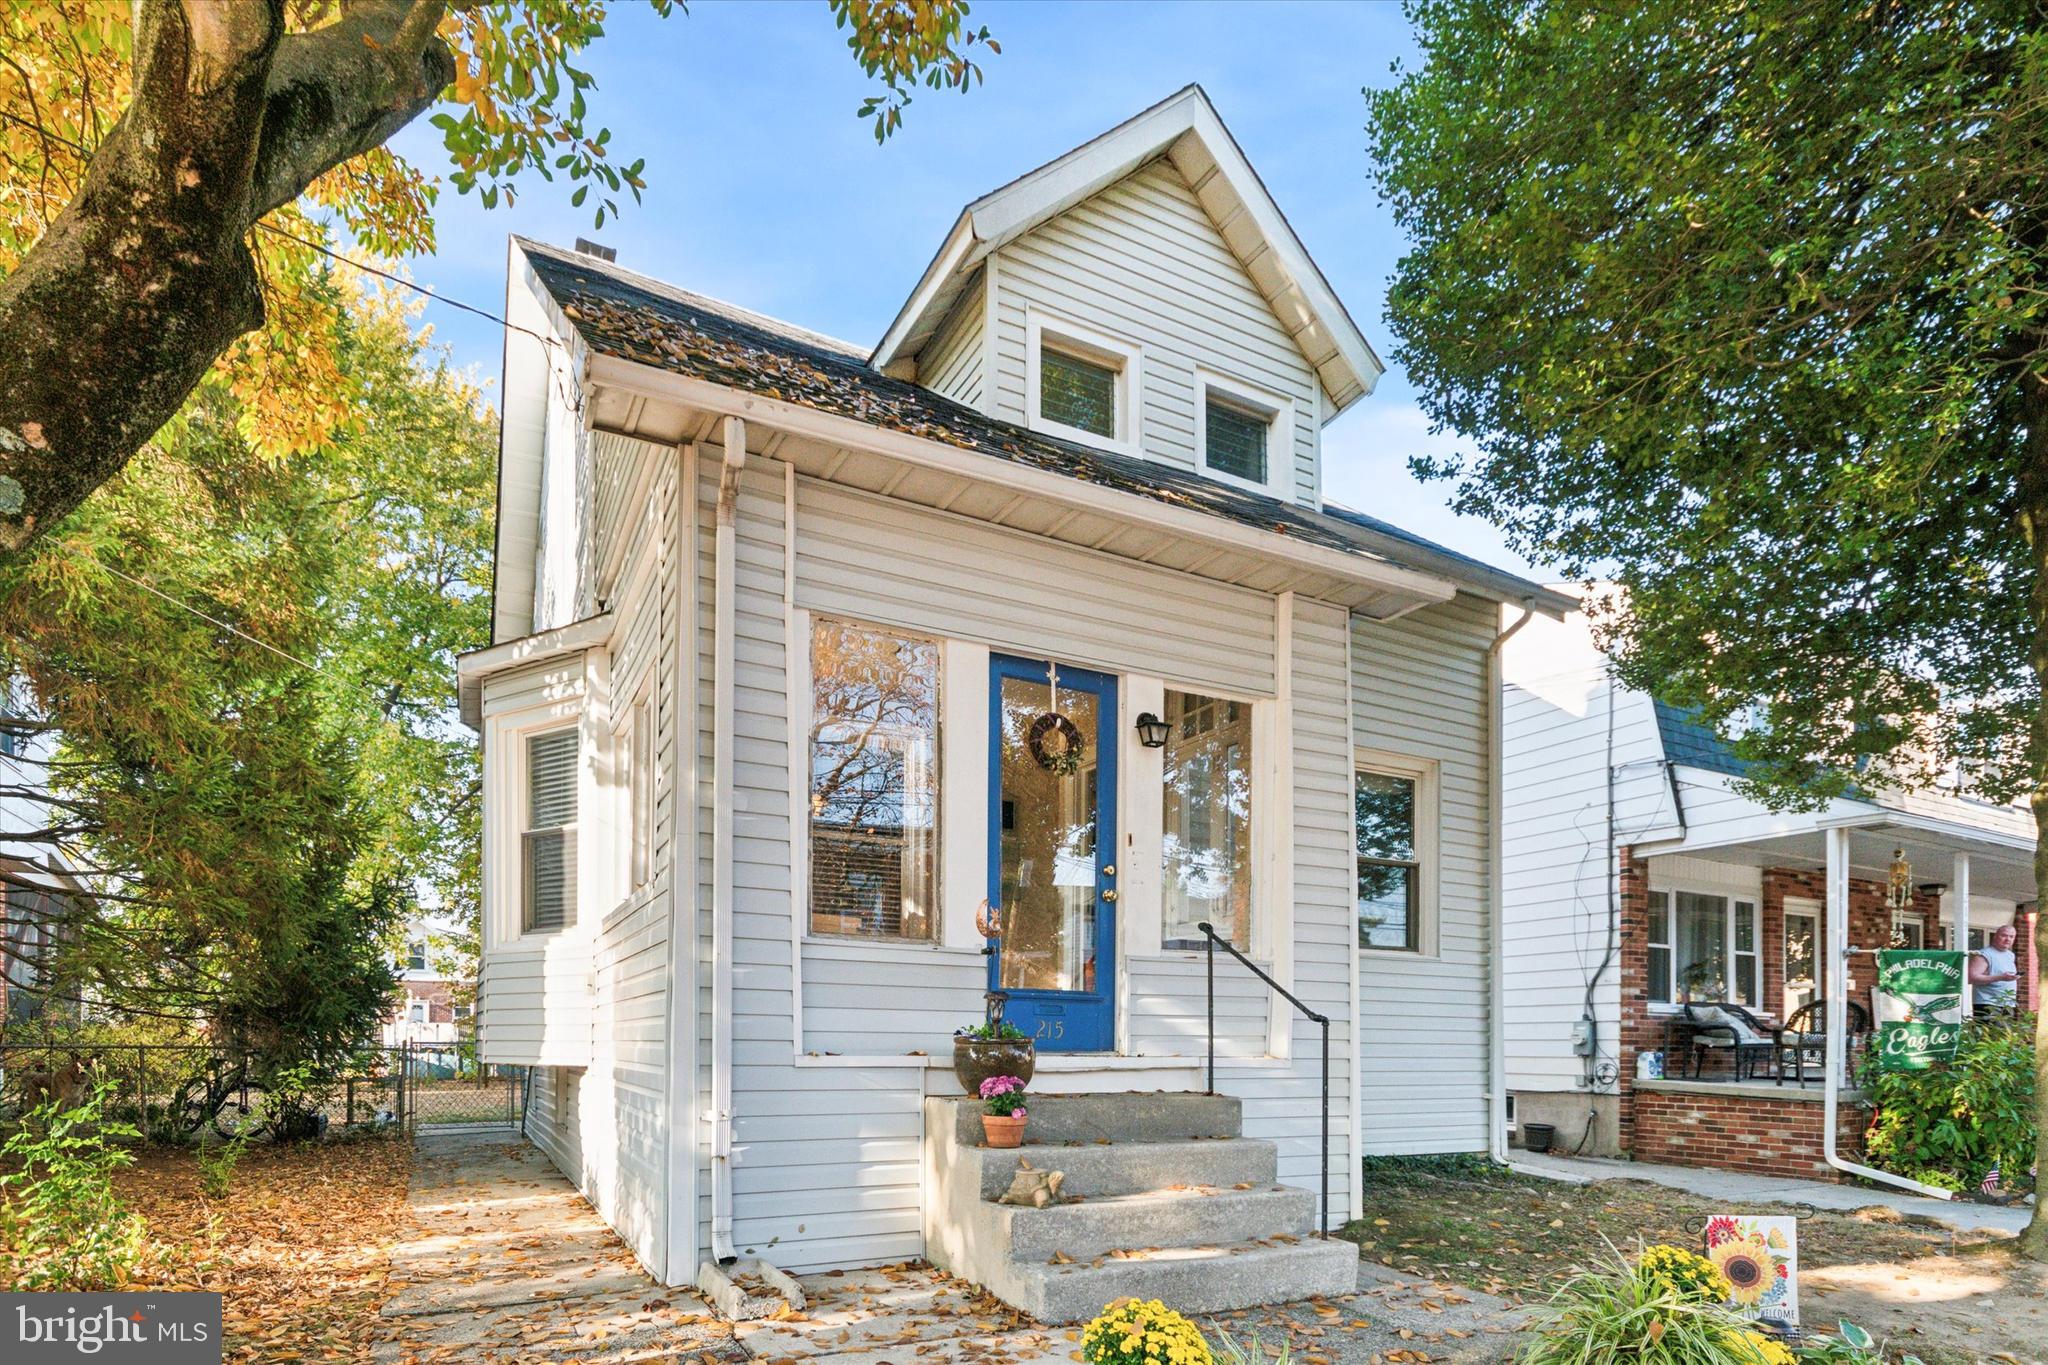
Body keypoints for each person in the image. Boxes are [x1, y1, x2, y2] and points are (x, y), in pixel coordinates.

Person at [1969, 923, 2021, 1014]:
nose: (2007, 939)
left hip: (2008, 1004)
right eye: (2004, 935)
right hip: (1987, 1004)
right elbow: (1971, 978)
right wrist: (2001, 977)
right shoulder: (1984, 955)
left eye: (2011, 937)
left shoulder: (2010, 955)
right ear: (1995, 936)